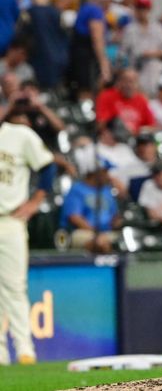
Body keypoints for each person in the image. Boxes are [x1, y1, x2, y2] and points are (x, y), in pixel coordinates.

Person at [0, 115, 55, 366]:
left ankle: (25, 350)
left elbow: (48, 166)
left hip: (9, 220)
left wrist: (35, 203)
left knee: (14, 287)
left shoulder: (19, 134)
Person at [61, 145, 120, 254]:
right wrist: (96, 233)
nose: (108, 175)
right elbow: (75, 218)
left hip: (107, 233)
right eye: (105, 171)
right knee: (99, 243)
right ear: (95, 173)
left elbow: (114, 217)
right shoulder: (77, 190)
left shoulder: (107, 190)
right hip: (81, 232)